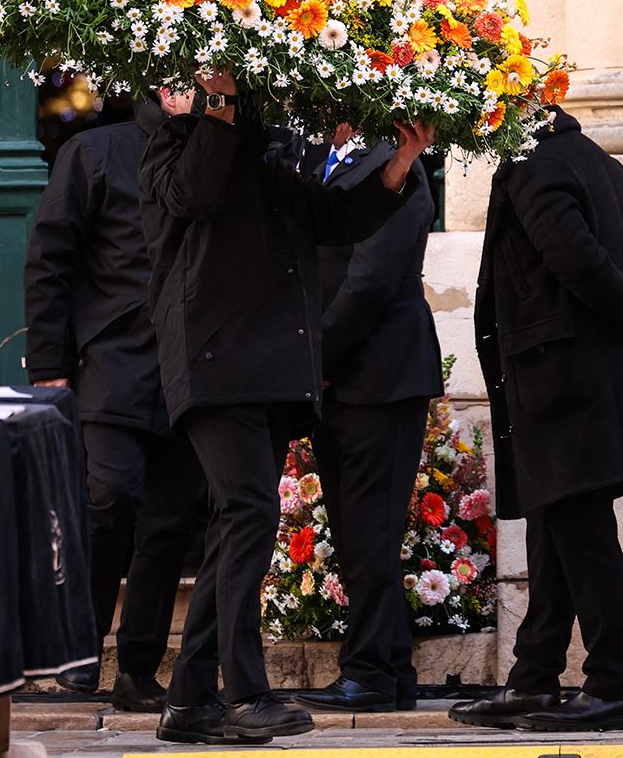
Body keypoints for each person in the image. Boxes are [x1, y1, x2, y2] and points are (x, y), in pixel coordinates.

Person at [139, 73, 435, 745]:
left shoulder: (271, 151)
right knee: (247, 512)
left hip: (269, 370)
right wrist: (212, 105)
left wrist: (399, 162)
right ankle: (243, 691)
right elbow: (195, 192)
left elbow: (331, 219)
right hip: (215, 364)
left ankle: (189, 699)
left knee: (238, 522)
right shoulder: (175, 143)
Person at [449, 106, 623, 733]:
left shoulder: (533, 163)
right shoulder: (599, 162)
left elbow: (574, 255)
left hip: (562, 381)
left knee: (580, 532)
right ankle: (535, 678)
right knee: (554, 526)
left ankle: (614, 684)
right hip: (581, 381)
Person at [23, 96, 205, 713]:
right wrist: (49, 364)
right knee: (109, 498)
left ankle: (137, 668)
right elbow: (49, 260)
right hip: (111, 364)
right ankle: (80, 646)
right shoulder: (94, 151)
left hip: (192, 368)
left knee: (169, 523)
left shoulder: (217, 152)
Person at [290, 123, 444, 714]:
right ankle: (394, 669)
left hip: (379, 372)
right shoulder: (313, 158)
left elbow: (371, 278)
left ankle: (371, 671)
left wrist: (319, 358)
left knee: (371, 527)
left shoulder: (398, 167)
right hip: (340, 376)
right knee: (357, 528)